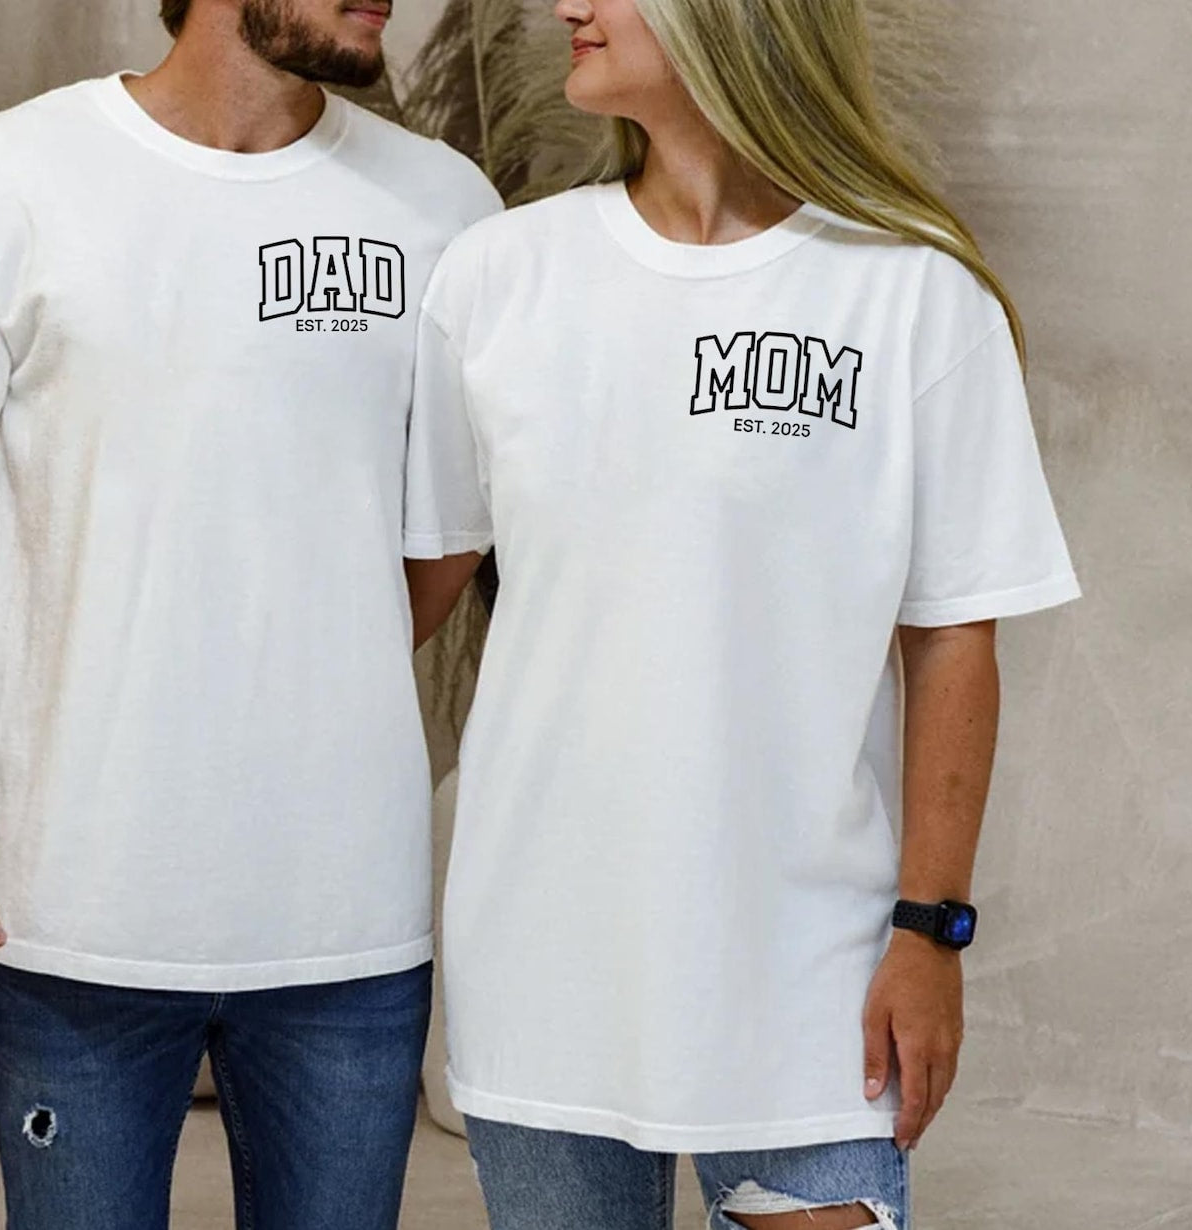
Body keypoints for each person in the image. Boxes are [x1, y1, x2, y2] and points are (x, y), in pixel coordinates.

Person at [402, 0, 1080, 1227]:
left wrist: (931, 933)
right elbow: (412, 587)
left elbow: (952, 640)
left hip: (808, 967)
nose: (567, 7)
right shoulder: (499, 275)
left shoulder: (913, 294)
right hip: (546, 956)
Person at [0, 0, 500, 1224]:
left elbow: (451, 531)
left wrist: (308, 651)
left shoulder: (444, 207)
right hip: (74, 916)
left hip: (345, 922)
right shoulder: (7, 178)